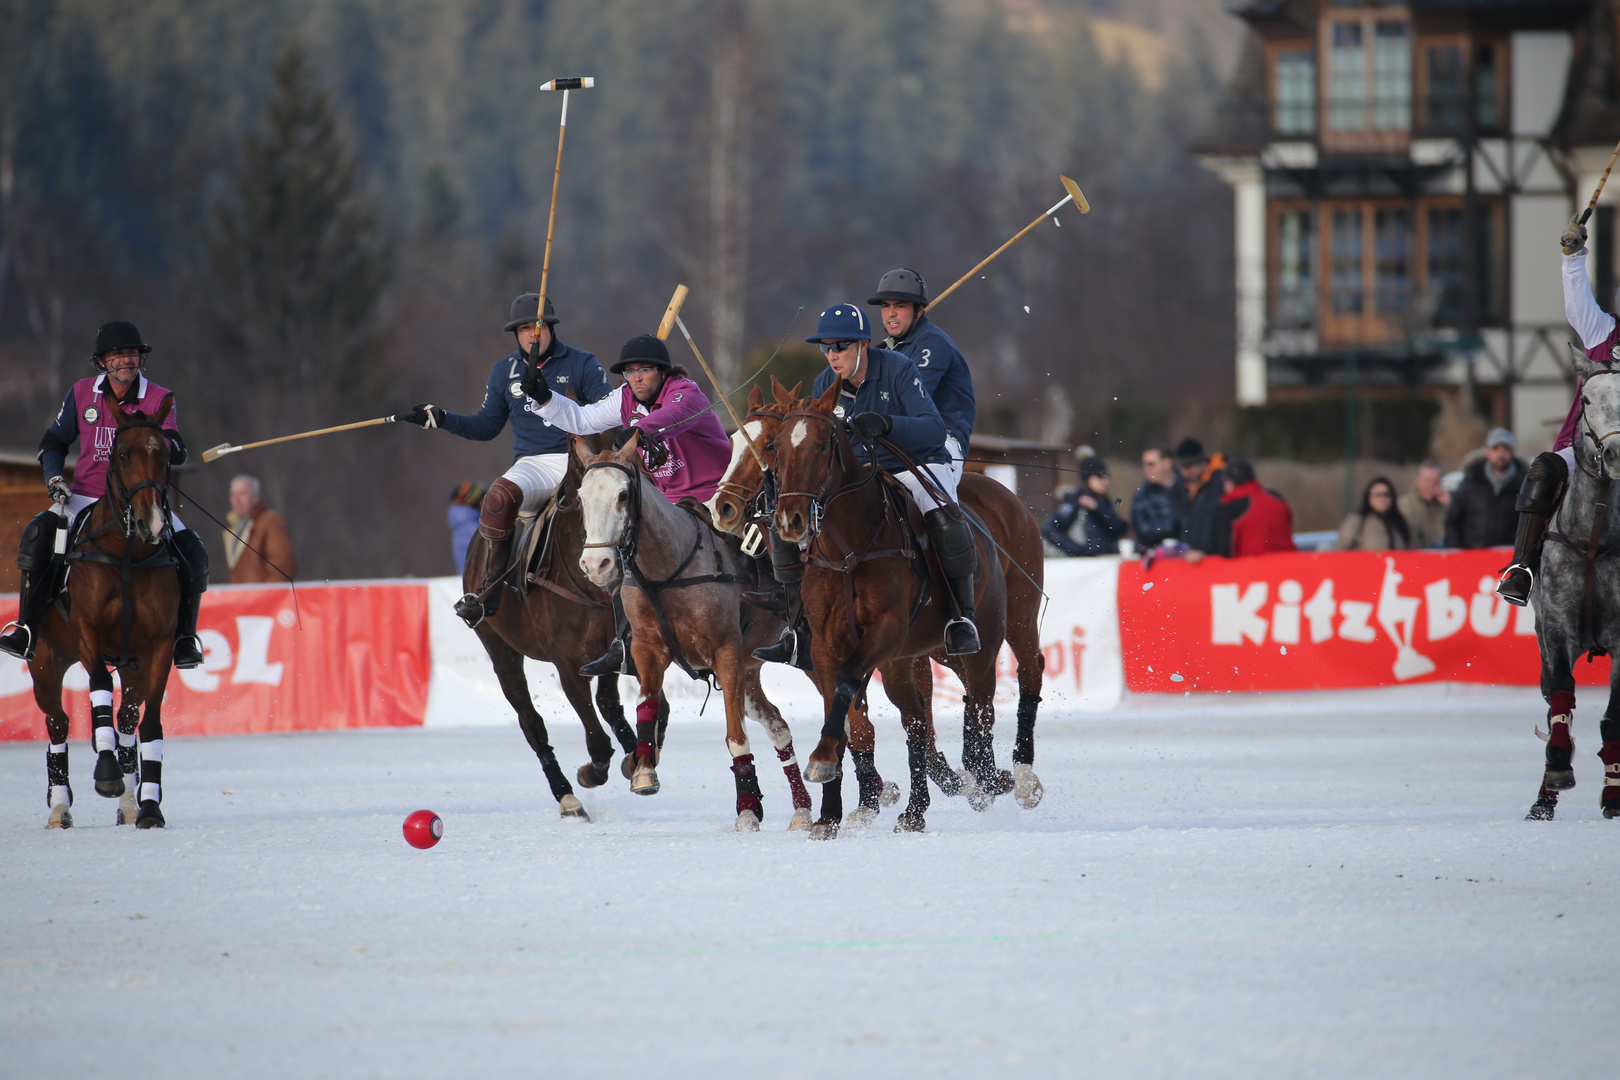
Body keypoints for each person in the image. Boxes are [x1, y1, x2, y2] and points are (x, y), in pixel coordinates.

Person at [759, 302, 980, 661]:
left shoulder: (899, 369)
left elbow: (933, 429)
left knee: (942, 514)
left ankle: (961, 617)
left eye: (840, 346)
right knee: (784, 521)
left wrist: (888, 424)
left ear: (863, 345)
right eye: (826, 347)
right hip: (858, 474)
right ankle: (797, 628)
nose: (832, 354)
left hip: (913, 462)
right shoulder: (822, 383)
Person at [0, 321, 208, 667]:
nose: (126, 361)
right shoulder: (82, 393)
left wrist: (167, 444)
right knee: (37, 535)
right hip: (85, 496)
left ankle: (185, 638)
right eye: (117, 355)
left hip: (144, 502)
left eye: (132, 354)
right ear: (101, 362)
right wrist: (54, 479)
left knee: (194, 551)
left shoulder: (159, 397)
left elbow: (176, 445)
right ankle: (26, 627)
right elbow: (53, 443)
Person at [400, 293, 611, 628]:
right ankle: (490, 590)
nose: (533, 334)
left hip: (579, 458)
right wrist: (442, 418)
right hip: (533, 464)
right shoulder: (504, 372)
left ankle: (628, 596)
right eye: (525, 328)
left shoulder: (582, 363)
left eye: (538, 325)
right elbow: (486, 427)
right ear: (516, 334)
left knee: (614, 505)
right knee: (497, 498)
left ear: (550, 327)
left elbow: (609, 411)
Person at [530, 333, 734, 676]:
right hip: (673, 504)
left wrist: (636, 429)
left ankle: (792, 624)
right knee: (629, 549)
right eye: (630, 371)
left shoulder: (686, 392)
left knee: (760, 543)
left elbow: (671, 415)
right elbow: (582, 420)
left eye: (645, 370)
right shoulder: (624, 397)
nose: (637, 378)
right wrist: (544, 398)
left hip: (717, 493)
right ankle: (625, 642)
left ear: (663, 372)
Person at [1496, 215, 1616, 604]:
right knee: (1543, 469)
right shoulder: (1604, 331)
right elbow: (1578, 305)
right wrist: (1573, 255)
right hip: (1585, 447)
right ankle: (1523, 567)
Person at [867, 268, 975, 484]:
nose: (891, 313)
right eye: (886, 306)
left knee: (923, 491)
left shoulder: (933, 344)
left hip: (943, 440)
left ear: (918, 311)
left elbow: (908, 402)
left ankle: (948, 519)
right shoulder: (889, 349)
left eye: (900, 306)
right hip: (899, 436)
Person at [1444, 428, 1526, 550]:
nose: (1500, 455)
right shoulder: (1470, 483)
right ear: (1486, 452)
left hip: (1510, 558)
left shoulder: (1525, 486)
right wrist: (1455, 553)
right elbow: (1453, 521)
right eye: (1495, 449)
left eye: (1505, 449)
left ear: (1513, 452)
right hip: (1472, 559)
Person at [1041, 456, 1127, 556]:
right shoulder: (1075, 501)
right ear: (1088, 478)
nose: (1106, 482)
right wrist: (1079, 551)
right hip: (1083, 565)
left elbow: (1120, 528)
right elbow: (1050, 529)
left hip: (1106, 564)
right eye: (1100, 476)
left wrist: (1098, 507)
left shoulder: (1103, 502)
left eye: (1107, 477)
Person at [223, 474, 298, 584]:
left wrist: (266, 597)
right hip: (241, 599)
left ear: (256, 497)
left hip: (261, 599)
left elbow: (282, 568)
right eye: (233, 495)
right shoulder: (234, 528)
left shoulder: (271, 522)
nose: (237, 500)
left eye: (243, 493)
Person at [1215, 458, 1297, 557]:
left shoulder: (1231, 507)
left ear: (1229, 483)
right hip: (1289, 564)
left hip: (1253, 567)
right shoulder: (1277, 498)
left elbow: (1224, 551)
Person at [1175, 437, 1227, 564]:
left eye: (1189, 468)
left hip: (1209, 558)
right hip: (1190, 557)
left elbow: (1212, 517)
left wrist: (1203, 550)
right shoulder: (1186, 484)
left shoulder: (1219, 481)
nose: (1185, 473)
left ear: (1202, 463)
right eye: (1182, 468)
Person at [1130, 443, 1185, 550]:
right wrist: (1174, 525)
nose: (1146, 469)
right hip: (1154, 555)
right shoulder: (1141, 495)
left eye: (1151, 464)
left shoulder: (1187, 489)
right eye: (1144, 464)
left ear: (1167, 463)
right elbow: (1143, 529)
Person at [1334, 476, 1410, 551]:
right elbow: (1340, 549)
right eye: (1376, 494)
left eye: (1386, 494)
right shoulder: (1358, 521)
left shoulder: (1399, 523)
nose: (1381, 498)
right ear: (1368, 496)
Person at [1397, 460, 1449, 549]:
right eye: (1427, 480)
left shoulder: (1446, 504)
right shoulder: (1403, 506)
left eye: (1435, 481)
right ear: (1417, 481)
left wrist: (1450, 506)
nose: (1431, 485)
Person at [447, 481, 486, 576]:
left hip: (468, 581)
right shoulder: (474, 529)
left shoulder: (463, 525)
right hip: (481, 582)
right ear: (475, 502)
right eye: (484, 499)